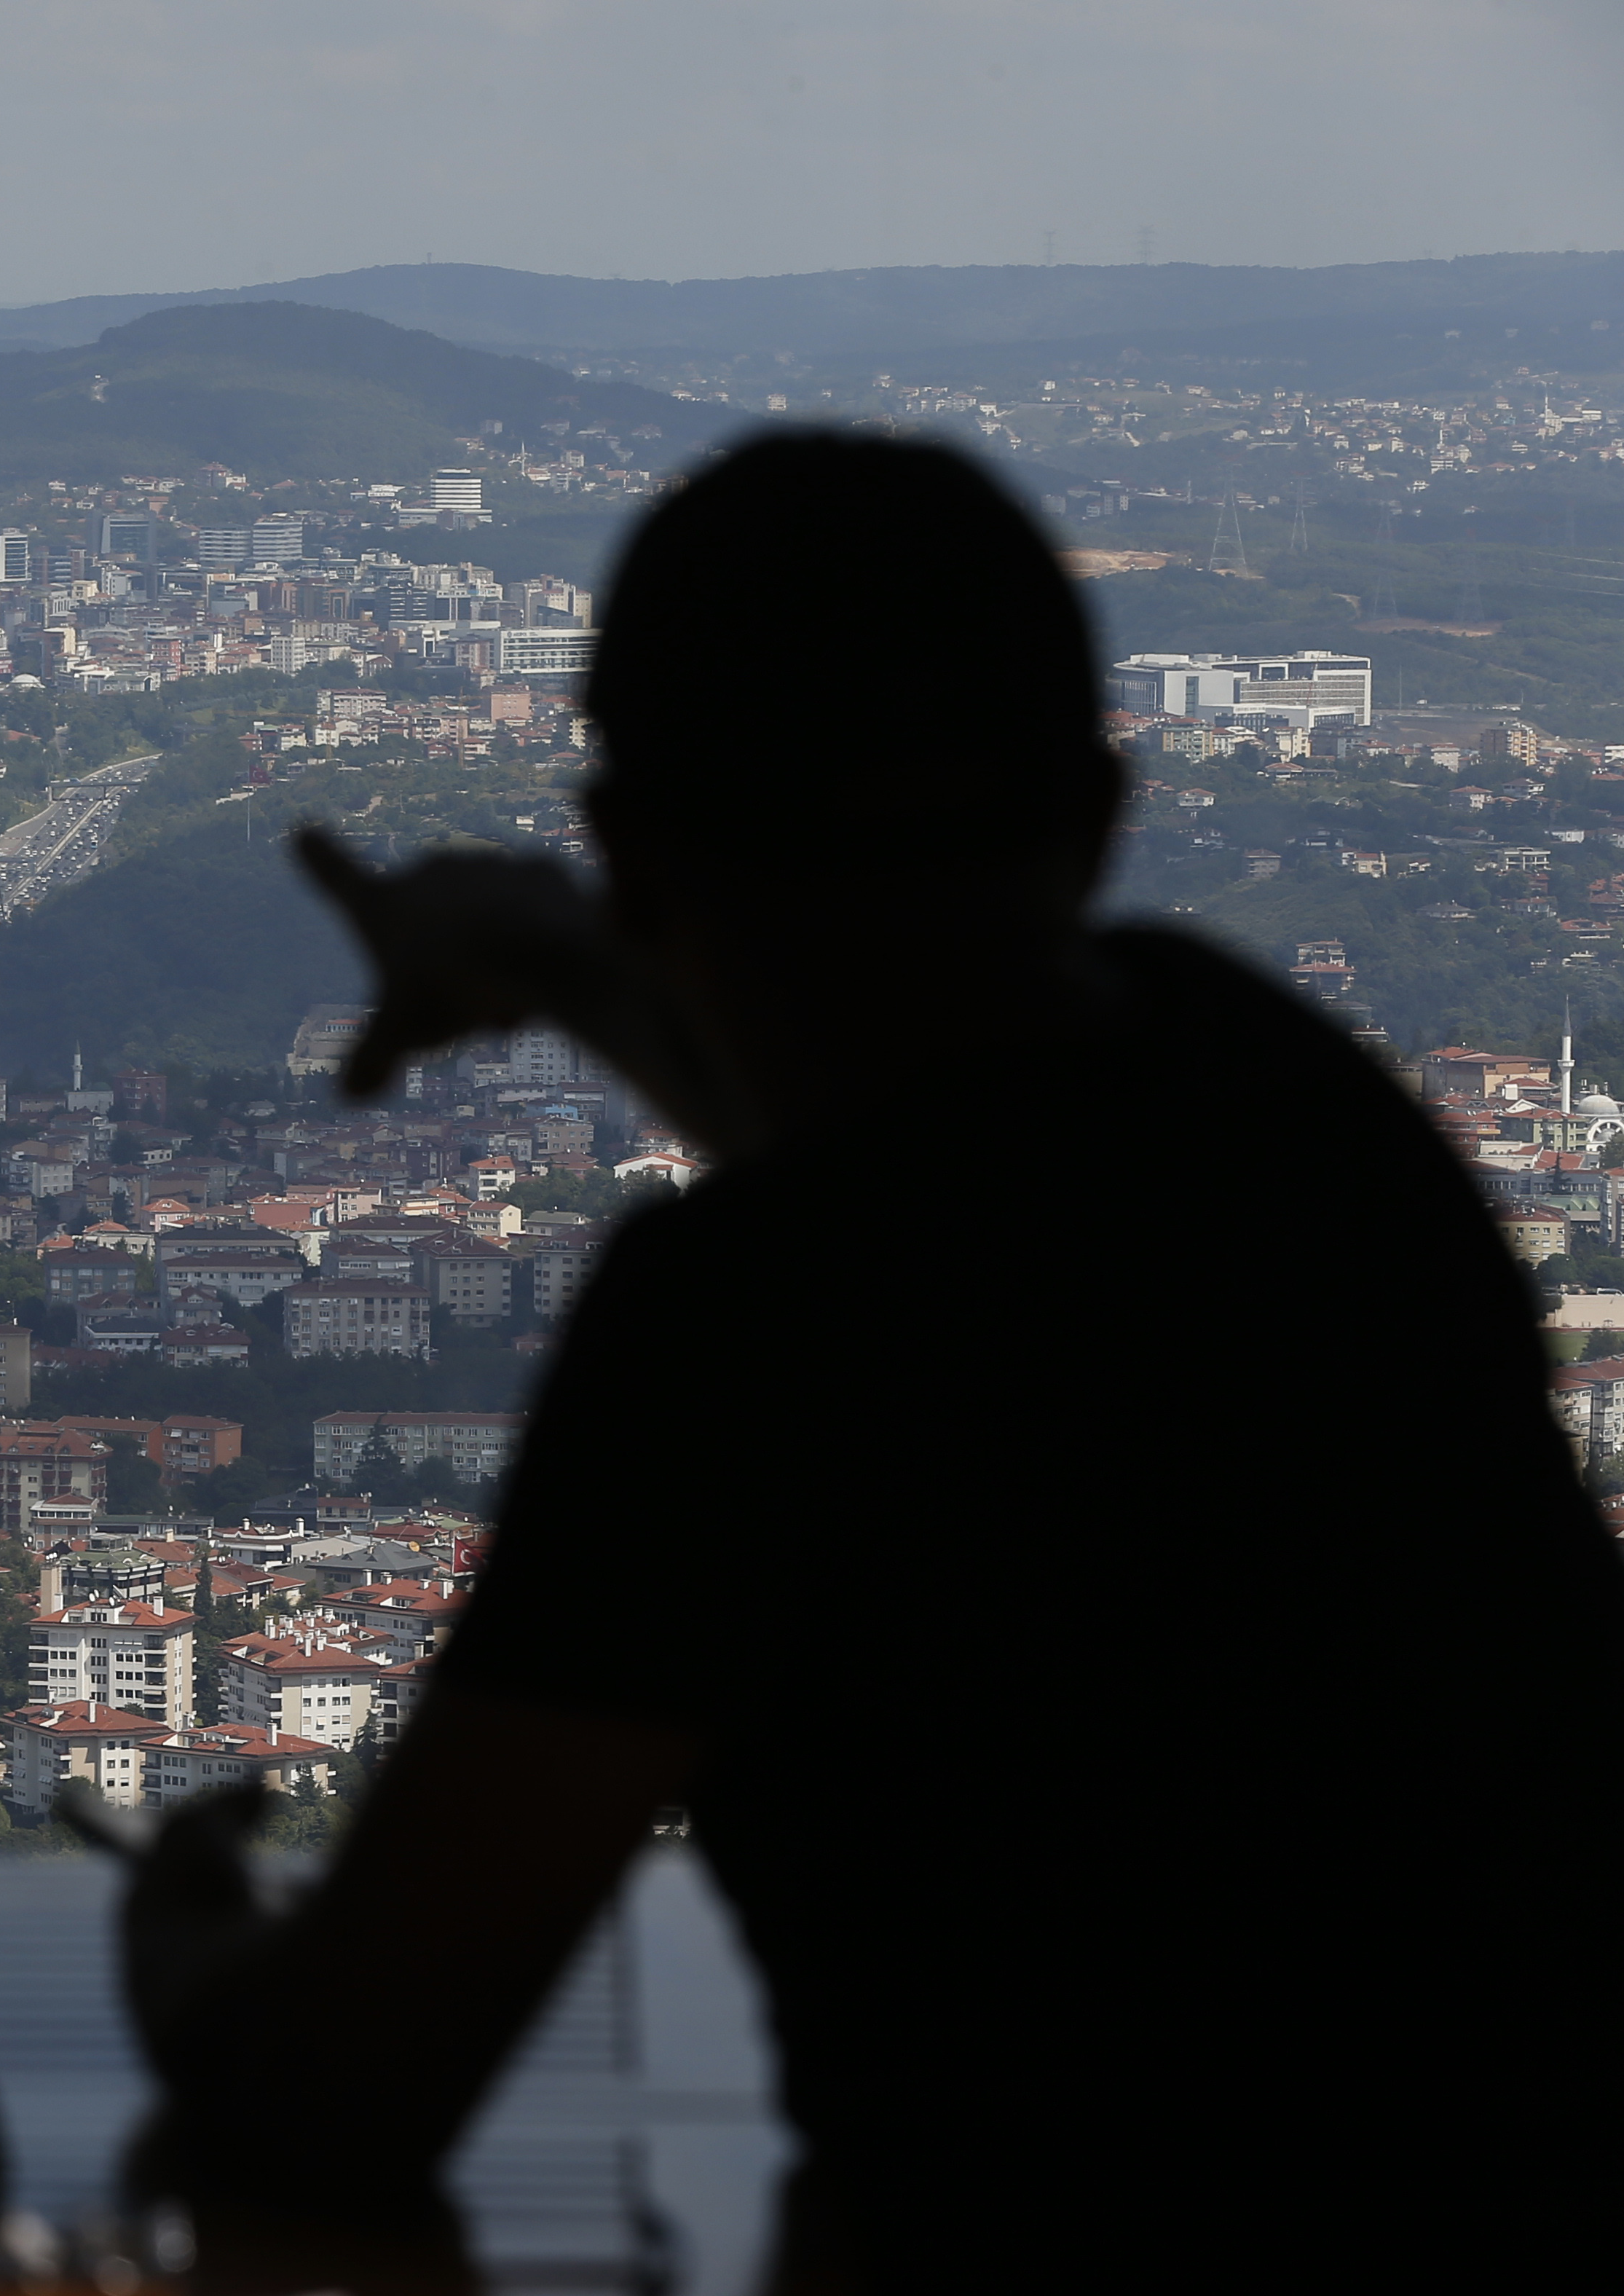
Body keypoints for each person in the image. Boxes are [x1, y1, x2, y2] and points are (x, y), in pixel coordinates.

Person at [114, 435, 1624, 2294]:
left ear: (639, 849)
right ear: (1094, 813)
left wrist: (179, 1942)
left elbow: (331, 2104)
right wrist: (573, 968)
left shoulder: (731, 1337)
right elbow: (928, 1179)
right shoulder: (1284, 1103)